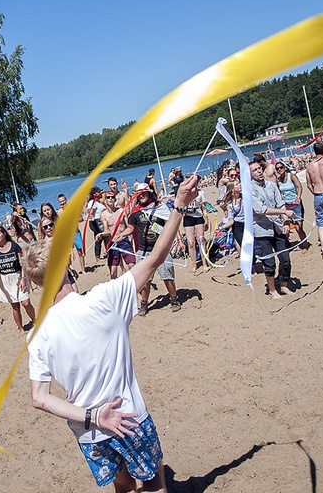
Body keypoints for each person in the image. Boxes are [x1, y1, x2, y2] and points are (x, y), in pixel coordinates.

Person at [22, 174, 199, 492]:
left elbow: (40, 399)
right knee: (155, 481)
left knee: (123, 486)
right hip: (129, 417)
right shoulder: (105, 299)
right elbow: (156, 256)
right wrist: (180, 207)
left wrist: (91, 417)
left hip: (88, 431)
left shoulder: (36, 335)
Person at [116, 183, 182, 316]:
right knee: (145, 279)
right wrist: (121, 235)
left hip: (162, 250)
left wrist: (179, 240)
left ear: (149, 193)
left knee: (167, 276)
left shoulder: (161, 208)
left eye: (144, 193)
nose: (141, 196)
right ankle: (144, 304)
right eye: (139, 194)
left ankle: (174, 300)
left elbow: (172, 225)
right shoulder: (136, 213)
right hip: (143, 251)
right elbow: (130, 228)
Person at [249, 161, 296, 299]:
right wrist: (284, 212)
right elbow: (261, 210)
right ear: (250, 174)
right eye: (255, 170)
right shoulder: (250, 190)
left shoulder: (271, 185)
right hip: (261, 230)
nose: (259, 171)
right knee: (269, 263)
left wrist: (285, 221)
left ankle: (284, 285)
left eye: (259, 168)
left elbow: (281, 204)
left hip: (277, 227)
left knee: (285, 259)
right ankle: (272, 289)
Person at [0, 226, 35, 334]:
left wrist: (22, 278)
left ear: (4, 233)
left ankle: (35, 321)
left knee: (26, 302)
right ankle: (20, 328)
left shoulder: (14, 246)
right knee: (15, 306)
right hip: (5, 279)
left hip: (18, 276)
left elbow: (22, 263)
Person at [100, 191, 136, 279]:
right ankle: (115, 288)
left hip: (124, 240)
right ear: (105, 200)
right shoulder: (104, 215)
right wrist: (101, 234)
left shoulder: (121, 211)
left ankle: (135, 285)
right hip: (112, 242)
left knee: (132, 265)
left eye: (112, 197)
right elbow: (107, 230)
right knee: (113, 271)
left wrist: (124, 236)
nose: (110, 199)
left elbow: (129, 227)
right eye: (108, 197)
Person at [275, 160, 308, 252]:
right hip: (286, 206)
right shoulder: (278, 181)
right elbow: (278, 193)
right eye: (277, 169)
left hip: (296, 204)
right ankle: (287, 245)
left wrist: (298, 197)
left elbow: (299, 186)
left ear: (284, 168)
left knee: (298, 228)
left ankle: (305, 245)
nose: (279, 170)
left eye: (281, 167)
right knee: (285, 227)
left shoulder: (291, 176)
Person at [182, 177, 210, 273]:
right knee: (191, 243)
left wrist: (206, 220)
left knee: (201, 240)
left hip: (198, 217)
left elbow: (205, 208)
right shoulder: (185, 194)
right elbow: (179, 207)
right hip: (188, 218)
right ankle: (194, 264)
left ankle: (205, 263)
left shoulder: (201, 193)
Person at [57, 193, 87, 273]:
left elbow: (81, 219)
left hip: (75, 233)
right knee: (68, 255)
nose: (62, 203)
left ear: (66, 200)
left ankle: (83, 269)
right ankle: (71, 270)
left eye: (63, 200)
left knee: (80, 251)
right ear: (58, 203)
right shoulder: (59, 213)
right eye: (60, 202)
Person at [85, 189, 108, 260]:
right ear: (94, 194)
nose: (100, 193)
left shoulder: (98, 202)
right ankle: (98, 256)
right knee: (103, 237)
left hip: (100, 221)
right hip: (97, 221)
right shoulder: (93, 202)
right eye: (98, 192)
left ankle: (101, 254)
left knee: (100, 238)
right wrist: (92, 218)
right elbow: (90, 211)